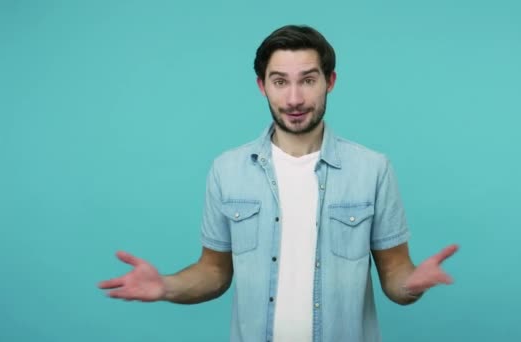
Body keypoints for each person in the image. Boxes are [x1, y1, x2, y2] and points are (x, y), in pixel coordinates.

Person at [98, 24, 458, 342]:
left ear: (330, 81)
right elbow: (214, 271)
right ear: (262, 86)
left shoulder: (373, 169)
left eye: (308, 80)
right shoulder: (228, 170)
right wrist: (166, 287)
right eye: (280, 81)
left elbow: (395, 272)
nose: (295, 98)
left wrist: (411, 286)